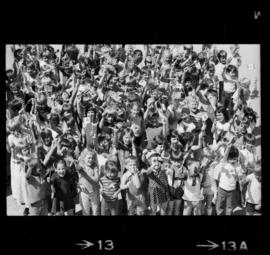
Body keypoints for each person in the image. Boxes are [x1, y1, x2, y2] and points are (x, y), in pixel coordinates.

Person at [213, 144, 245, 215]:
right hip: (222, 189)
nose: (233, 160)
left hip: (231, 190)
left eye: (235, 158)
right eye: (231, 159)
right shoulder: (224, 163)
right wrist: (228, 148)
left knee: (229, 207)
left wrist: (239, 175)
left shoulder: (237, 165)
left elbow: (240, 175)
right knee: (220, 206)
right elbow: (225, 157)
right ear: (228, 157)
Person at [77, 148, 100, 215]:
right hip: (84, 193)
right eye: (89, 158)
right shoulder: (81, 166)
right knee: (85, 212)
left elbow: (96, 179)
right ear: (84, 158)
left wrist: (85, 174)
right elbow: (77, 178)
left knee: (96, 212)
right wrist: (79, 184)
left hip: (94, 192)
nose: (91, 160)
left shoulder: (95, 166)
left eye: (92, 158)